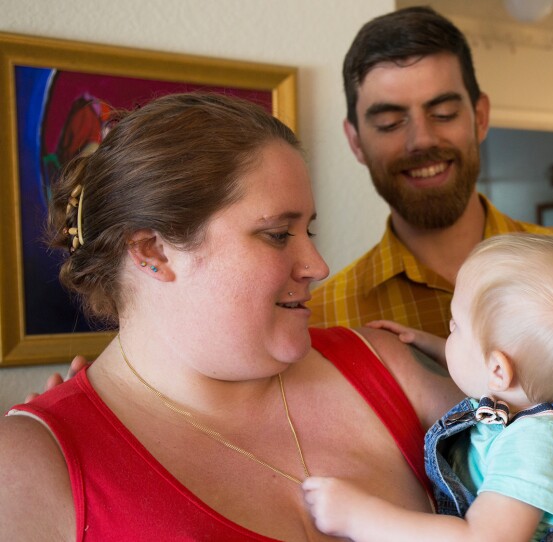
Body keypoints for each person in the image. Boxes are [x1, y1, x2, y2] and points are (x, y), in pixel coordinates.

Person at [0, 92, 462, 540]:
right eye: (279, 234)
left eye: (309, 229)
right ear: (153, 251)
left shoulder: (384, 363)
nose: (318, 266)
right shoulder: (34, 463)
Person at [309, 6, 553, 540]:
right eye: (390, 120)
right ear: (355, 139)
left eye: (443, 112)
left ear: (480, 116)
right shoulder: (325, 314)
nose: (420, 139)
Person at [304, 233, 553, 542]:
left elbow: (480, 538)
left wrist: (359, 517)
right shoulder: (535, 391)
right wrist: (428, 343)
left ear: (497, 370)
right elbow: (487, 373)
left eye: (456, 327)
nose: (448, 330)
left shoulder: (539, 445)